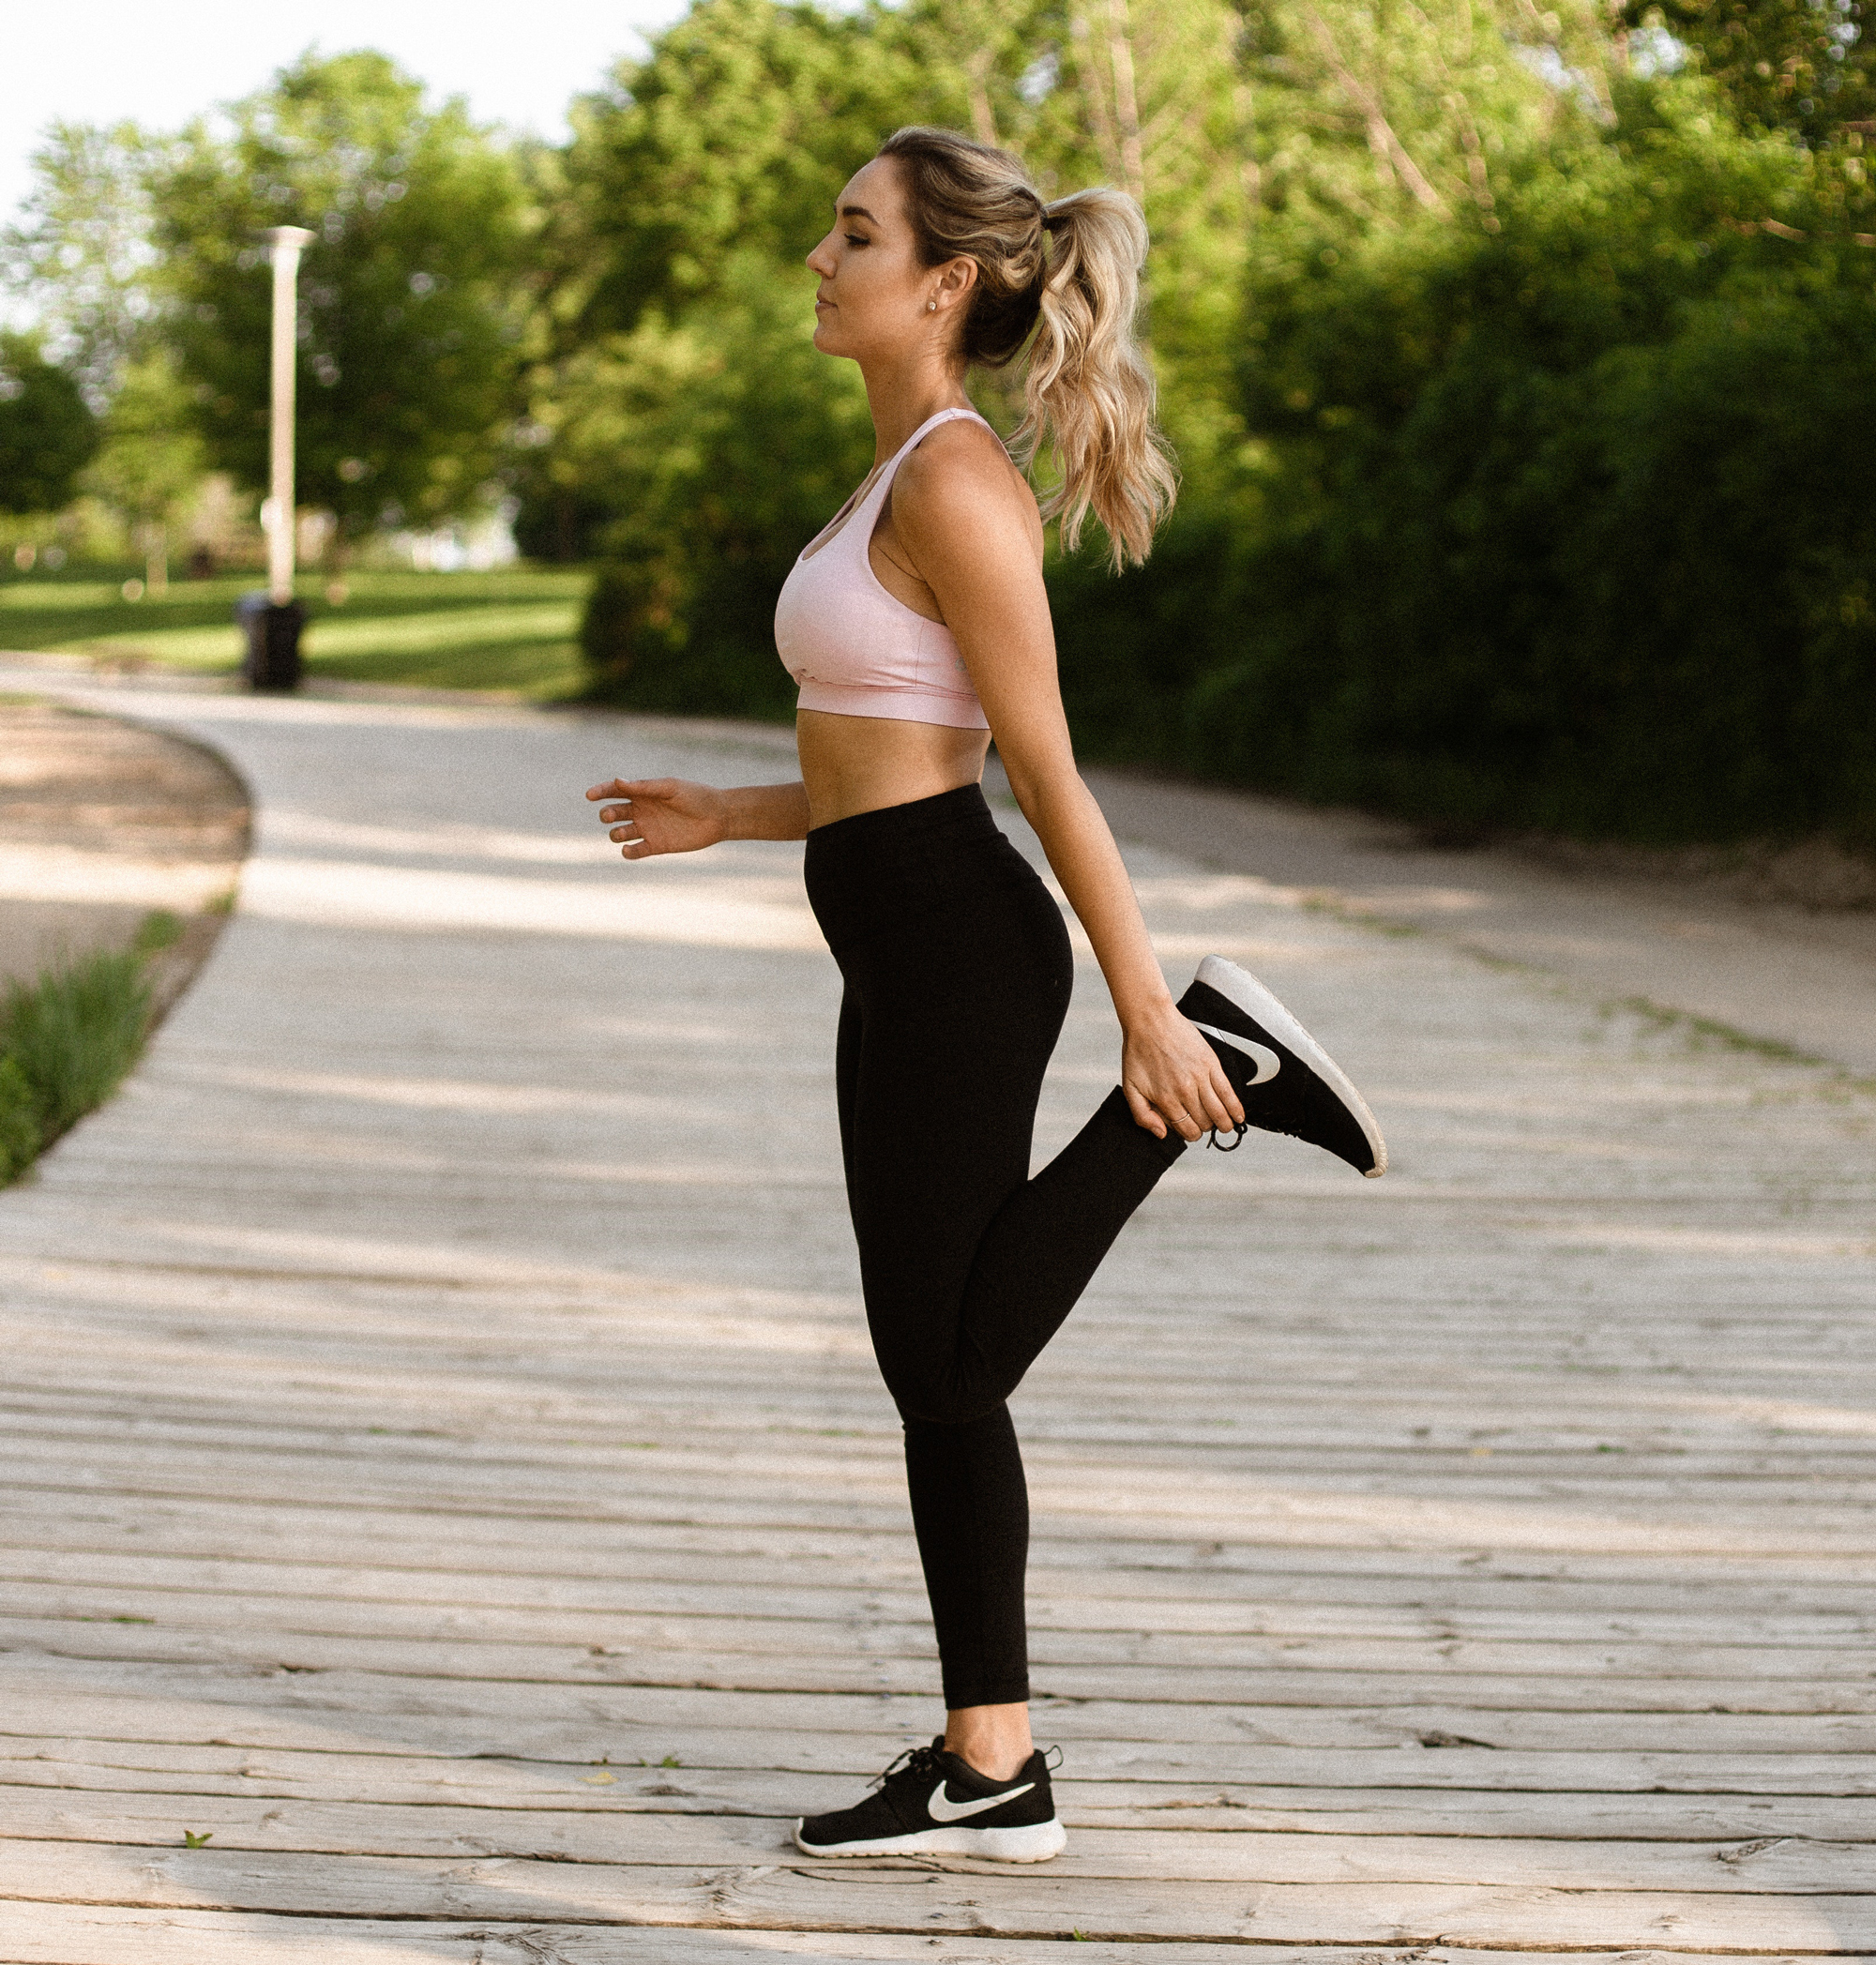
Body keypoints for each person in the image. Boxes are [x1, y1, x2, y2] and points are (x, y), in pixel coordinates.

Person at [586, 125, 1386, 1865]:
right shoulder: (895, 476)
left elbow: (1045, 774)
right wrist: (733, 812)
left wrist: (1144, 1012)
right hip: (906, 932)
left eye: (852, 232)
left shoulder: (955, 482)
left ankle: (1220, 1055)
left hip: (960, 951)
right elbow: (900, 761)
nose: (820, 254)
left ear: (943, 281)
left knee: (943, 1360)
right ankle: (991, 1764)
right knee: (940, 1371)